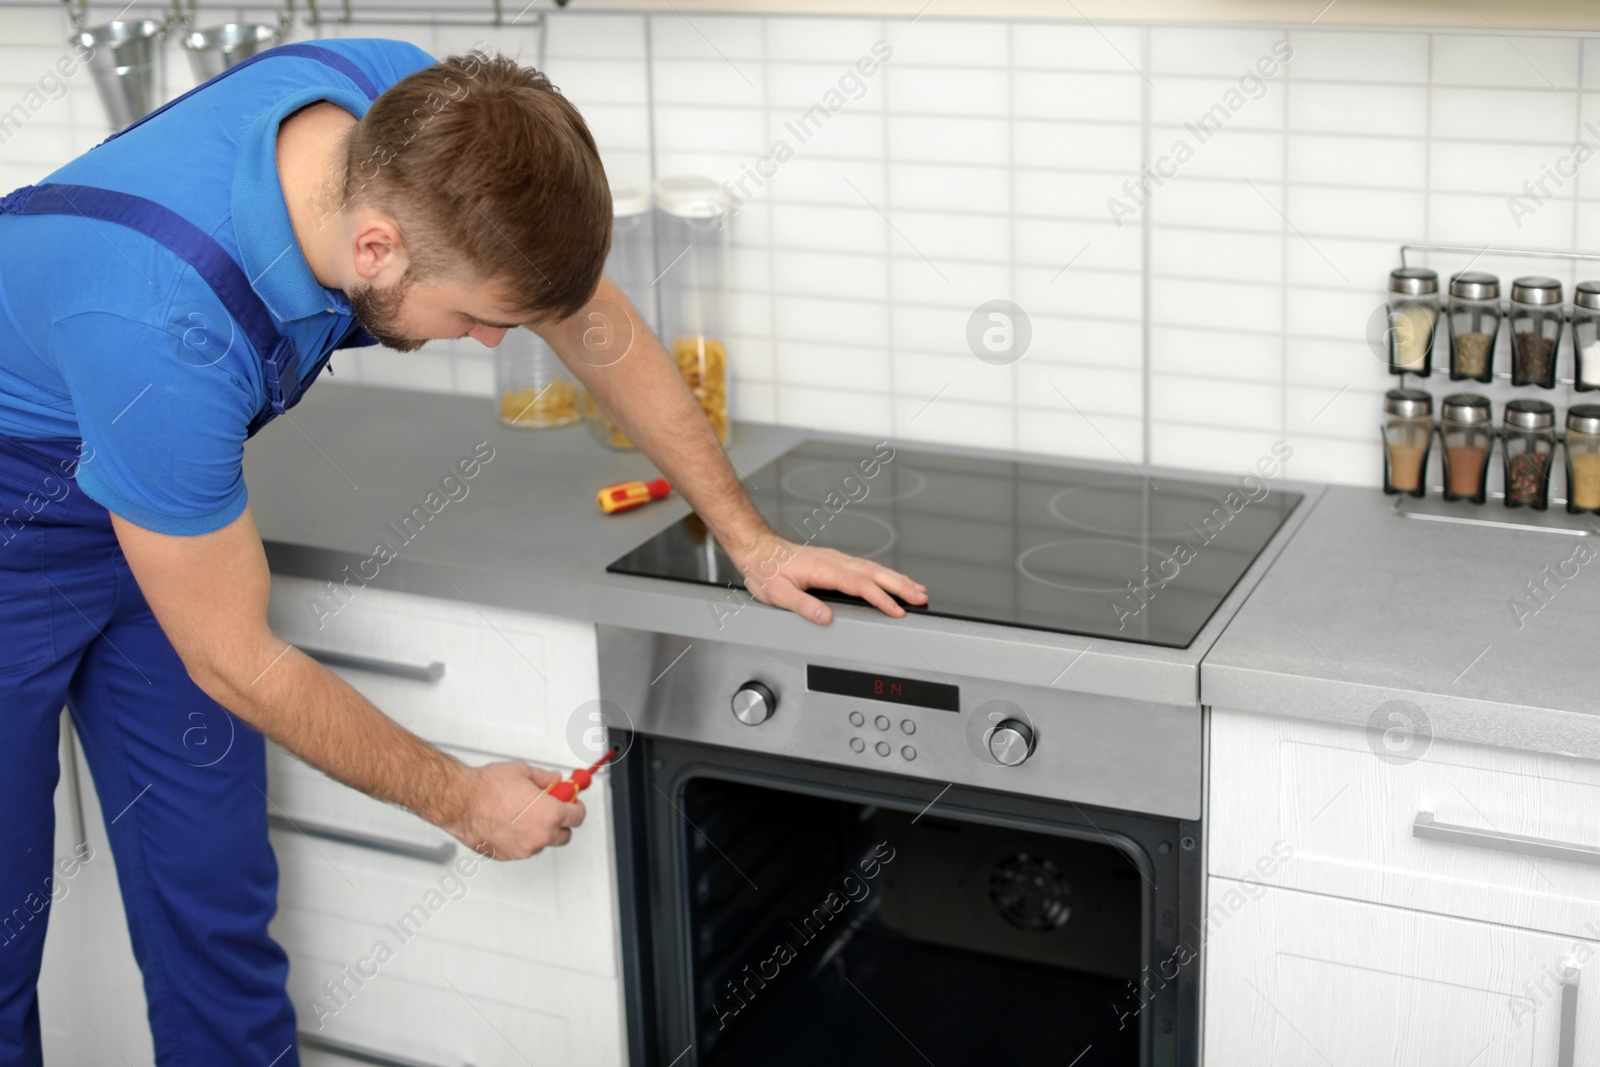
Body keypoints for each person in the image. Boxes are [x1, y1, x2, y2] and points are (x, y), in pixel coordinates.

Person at [0, 39, 926, 1066]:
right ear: (376, 250)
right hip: (27, 512)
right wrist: (460, 798)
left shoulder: (415, 115)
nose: (494, 344)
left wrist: (750, 541)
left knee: (212, 912)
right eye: (481, 320)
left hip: (161, 507)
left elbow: (584, 317)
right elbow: (235, 657)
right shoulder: (164, 329)